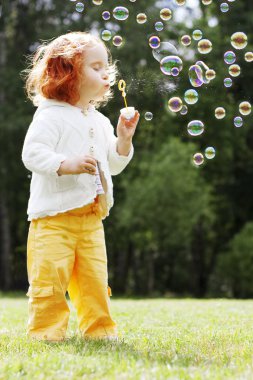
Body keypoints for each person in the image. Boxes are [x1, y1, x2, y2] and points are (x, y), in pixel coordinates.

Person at [21, 31, 140, 342]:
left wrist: (124, 140)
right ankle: (46, 332)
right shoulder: (50, 115)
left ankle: (99, 331)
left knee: (94, 281)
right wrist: (65, 164)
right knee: (49, 280)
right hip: (53, 220)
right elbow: (31, 153)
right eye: (95, 66)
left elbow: (113, 164)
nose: (106, 73)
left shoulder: (98, 120)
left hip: (91, 220)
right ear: (67, 72)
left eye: (106, 67)